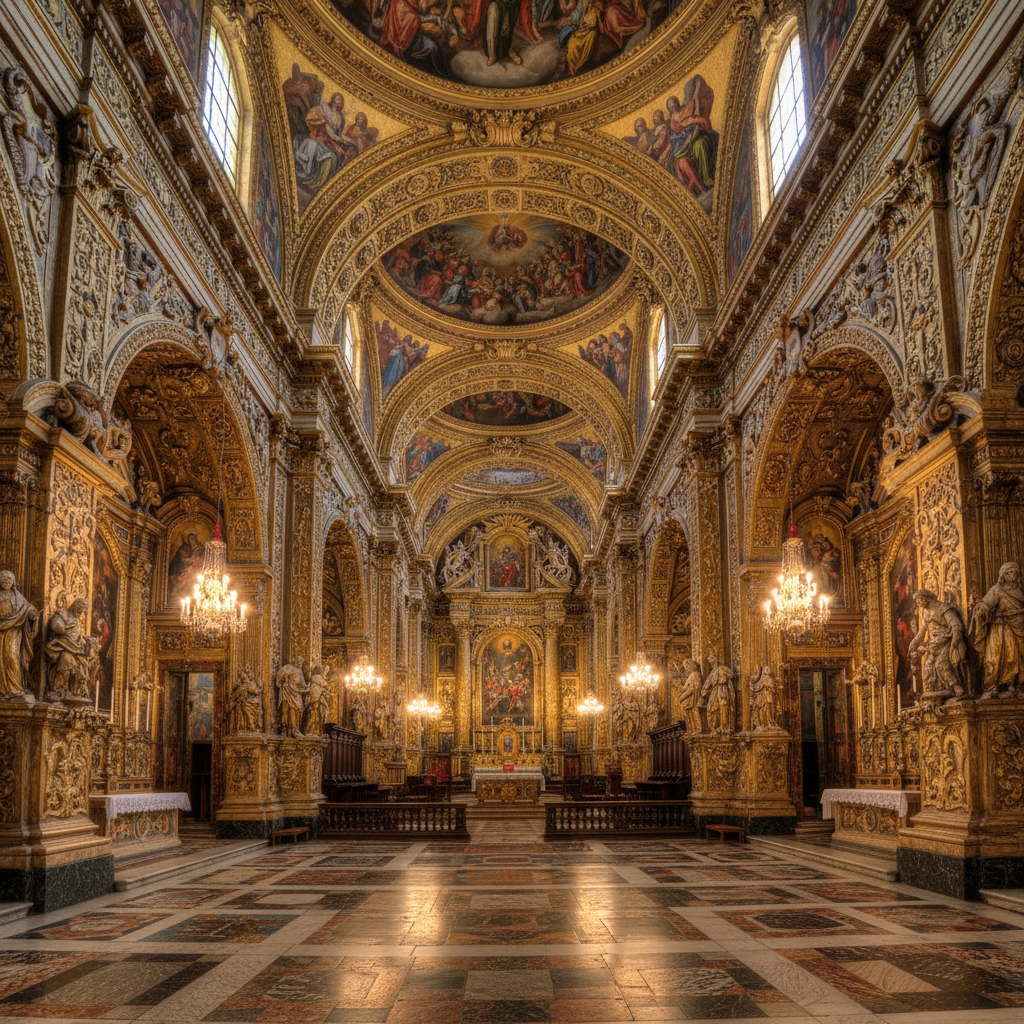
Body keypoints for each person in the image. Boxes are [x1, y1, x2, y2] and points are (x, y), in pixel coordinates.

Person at [970, 561, 1024, 698]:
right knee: (994, 658)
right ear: (1003, 575)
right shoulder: (997, 590)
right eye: (1009, 573)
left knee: (1013, 658)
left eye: (1014, 573)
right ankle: (993, 687)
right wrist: (979, 608)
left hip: (1016, 628)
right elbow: (986, 604)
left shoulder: (1020, 590)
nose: (1012, 576)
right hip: (999, 628)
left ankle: (1012, 686)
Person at [909, 589, 969, 700]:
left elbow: (955, 624)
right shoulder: (927, 612)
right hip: (933, 645)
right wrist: (915, 641)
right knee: (928, 668)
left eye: (919, 601)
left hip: (946, 642)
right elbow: (923, 630)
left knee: (941, 664)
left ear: (925, 598)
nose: (919, 605)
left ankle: (957, 687)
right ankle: (939, 691)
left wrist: (956, 640)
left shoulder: (944, 608)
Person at [45, 598, 98, 699]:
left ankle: (74, 691)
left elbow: (78, 637)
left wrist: (86, 642)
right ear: (75, 606)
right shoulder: (63, 614)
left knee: (83, 664)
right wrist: (60, 626)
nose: (80, 613)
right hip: (61, 646)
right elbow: (55, 625)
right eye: (80, 610)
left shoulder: (77, 622)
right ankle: (58, 688)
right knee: (67, 659)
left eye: (82, 611)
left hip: (74, 648)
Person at [0, 571, 39, 696]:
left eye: (9, 579)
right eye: (3, 578)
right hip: (1, 628)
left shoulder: (18, 596)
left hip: (14, 630)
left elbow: (27, 608)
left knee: (11, 656)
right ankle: (2, 688)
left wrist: (32, 614)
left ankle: (15, 688)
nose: (6, 581)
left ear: (13, 582)